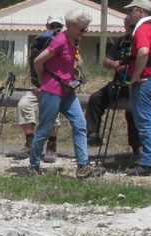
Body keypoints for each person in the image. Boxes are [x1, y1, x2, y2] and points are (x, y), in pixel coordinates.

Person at [27, 10, 104, 178]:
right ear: (70, 26)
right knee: (45, 128)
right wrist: (42, 80)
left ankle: (83, 165)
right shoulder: (60, 40)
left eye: (86, 29)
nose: (84, 32)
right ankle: (34, 165)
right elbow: (38, 60)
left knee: (80, 124)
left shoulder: (74, 40)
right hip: (52, 90)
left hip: (67, 90)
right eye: (82, 29)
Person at [85, 14, 141, 160]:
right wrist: (114, 64)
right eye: (128, 26)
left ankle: (137, 147)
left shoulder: (141, 40)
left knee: (131, 111)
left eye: (133, 26)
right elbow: (106, 62)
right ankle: (93, 134)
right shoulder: (122, 41)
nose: (130, 29)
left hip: (135, 85)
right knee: (95, 98)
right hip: (118, 83)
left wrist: (130, 67)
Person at [13, 15, 63, 162]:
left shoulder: (64, 43)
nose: (55, 29)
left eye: (57, 26)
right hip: (37, 86)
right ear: (47, 26)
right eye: (52, 25)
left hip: (55, 88)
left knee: (53, 116)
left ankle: (51, 147)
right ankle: (31, 143)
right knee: (23, 105)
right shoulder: (39, 43)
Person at [124, 0, 151, 176]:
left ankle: (148, 163)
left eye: (131, 10)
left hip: (145, 81)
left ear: (139, 11)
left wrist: (135, 77)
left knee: (144, 121)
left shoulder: (142, 28)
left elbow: (143, 52)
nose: (129, 14)